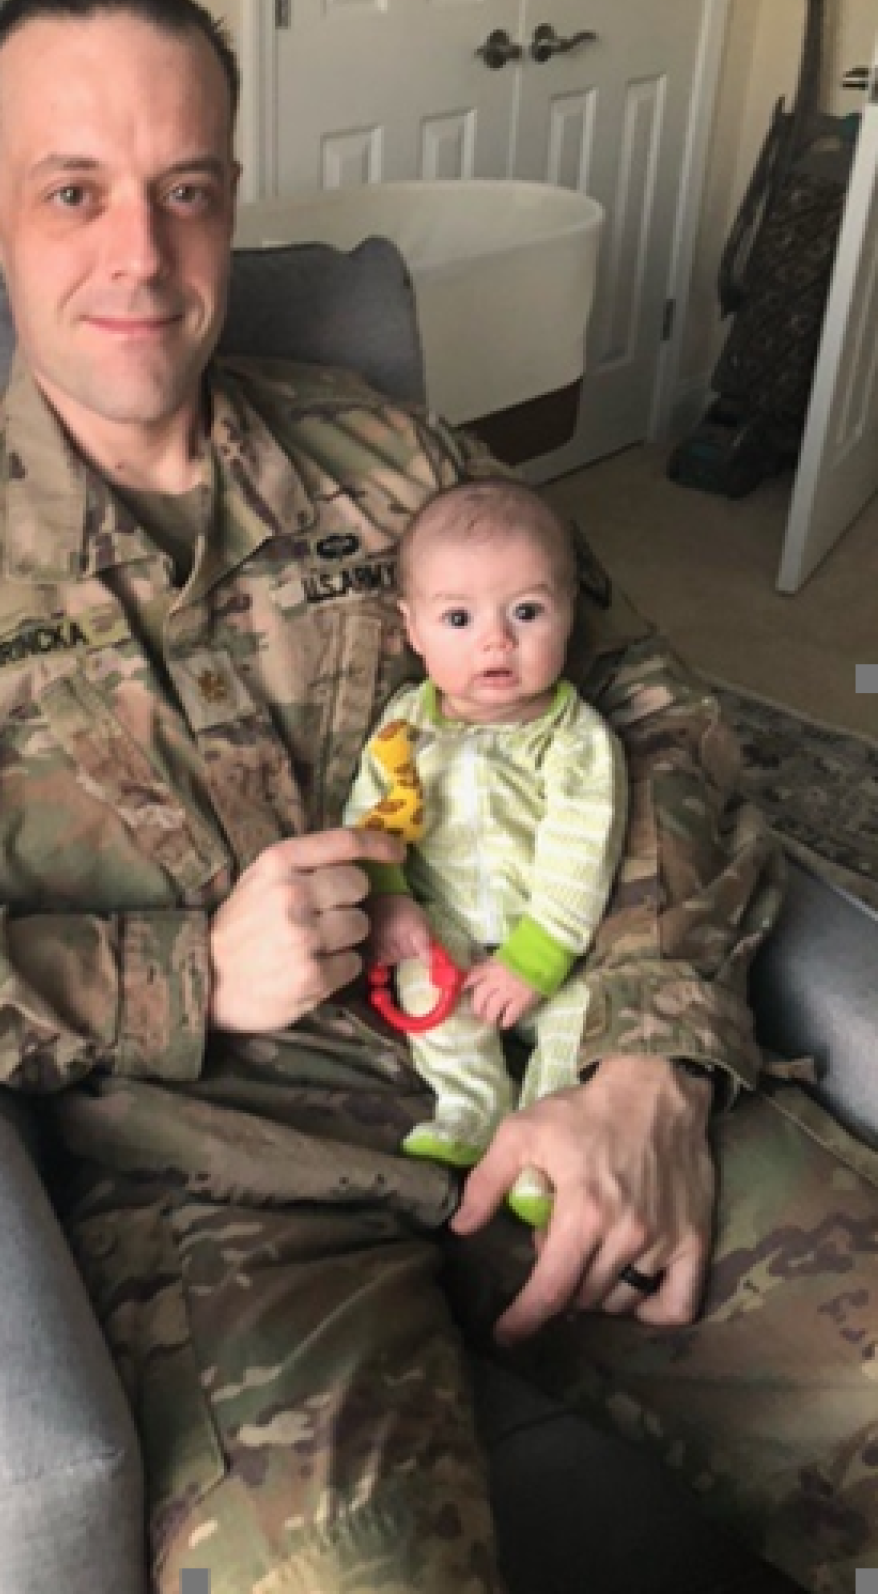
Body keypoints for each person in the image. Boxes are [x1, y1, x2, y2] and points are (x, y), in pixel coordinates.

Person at [0, 0, 878, 1593]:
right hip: (221, 1212)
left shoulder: (397, 463)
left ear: (233, 199)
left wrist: (652, 1056)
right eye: (73, 190)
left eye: (186, 192)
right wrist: (177, 970)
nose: (139, 258)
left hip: (550, 1082)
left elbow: (657, 717)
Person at [345, 479, 627, 1226]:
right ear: (413, 629)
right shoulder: (405, 724)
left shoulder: (574, 738)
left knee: (582, 1021)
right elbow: (373, 817)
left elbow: (581, 853)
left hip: (553, 942)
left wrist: (538, 958)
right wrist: (390, 895)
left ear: (569, 613)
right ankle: (470, 1107)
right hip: (451, 924)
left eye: (527, 612)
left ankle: (541, 1143)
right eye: (460, 618)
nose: (496, 640)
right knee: (422, 980)